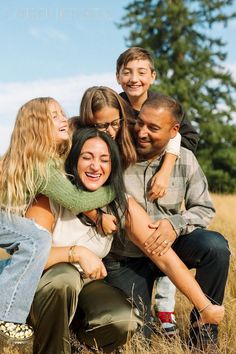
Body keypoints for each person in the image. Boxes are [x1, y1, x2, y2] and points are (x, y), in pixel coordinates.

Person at [27, 127, 225, 353]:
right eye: (87, 157)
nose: (95, 166)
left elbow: (162, 256)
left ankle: (77, 345)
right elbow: (31, 257)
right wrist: (76, 253)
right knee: (65, 277)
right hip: (44, 288)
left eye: (104, 159)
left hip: (87, 284)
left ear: (112, 167)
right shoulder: (48, 197)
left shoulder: (120, 201)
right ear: (74, 160)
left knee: (125, 320)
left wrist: (205, 305)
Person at [103, 93, 230, 352]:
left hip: (173, 246)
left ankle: (203, 335)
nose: (142, 132)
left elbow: (203, 208)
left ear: (174, 131)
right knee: (139, 338)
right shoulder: (116, 156)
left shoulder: (185, 159)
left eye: (153, 128)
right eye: (140, 123)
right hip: (128, 256)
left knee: (215, 247)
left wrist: (175, 224)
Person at [0, 97, 115, 352]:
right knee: (36, 240)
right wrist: (112, 191)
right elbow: (75, 199)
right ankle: (8, 318)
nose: (63, 118)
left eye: (62, 113)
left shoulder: (44, 158)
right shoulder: (42, 166)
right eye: (54, 116)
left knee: (30, 248)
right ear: (38, 127)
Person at [116, 46, 200, 334]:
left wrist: (166, 168)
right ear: (117, 77)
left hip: (159, 185)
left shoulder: (163, 105)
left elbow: (186, 136)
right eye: (127, 72)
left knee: (165, 230)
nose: (134, 78)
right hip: (127, 191)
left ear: (152, 76)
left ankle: (166, 309)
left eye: (141, 72)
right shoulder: (115, 106)